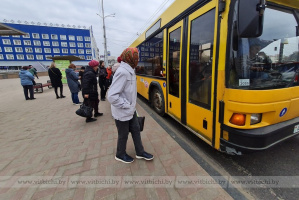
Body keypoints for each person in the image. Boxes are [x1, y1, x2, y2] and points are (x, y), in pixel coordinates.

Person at [107, 47, 154, 164]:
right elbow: (112, 96)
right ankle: (120, 154)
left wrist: (131, 106)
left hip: (130, 110)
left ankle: (140, 152)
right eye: (136, 56)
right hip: (123, 111)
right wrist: (127, 105)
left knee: (136, 130)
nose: (138, 58)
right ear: (131, 58)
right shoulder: (123, 72)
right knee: (123, 134)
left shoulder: (130, 70)